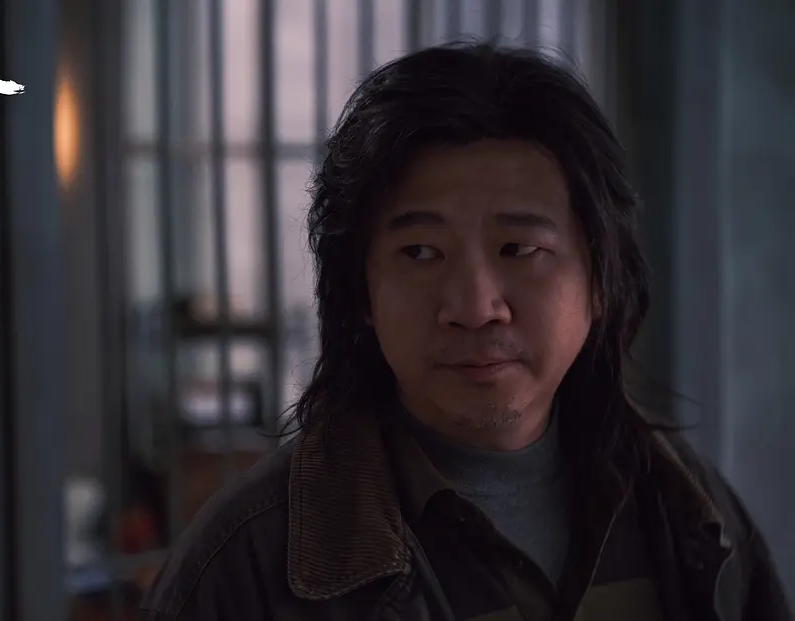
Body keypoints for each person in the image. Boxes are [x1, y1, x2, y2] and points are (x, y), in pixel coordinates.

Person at [139, 43, 791, 621]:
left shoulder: (687, 509)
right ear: (361, 292)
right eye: (421, 252)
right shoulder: (250, 565)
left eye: (519, 249)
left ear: (601, 279)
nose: (476, 307)